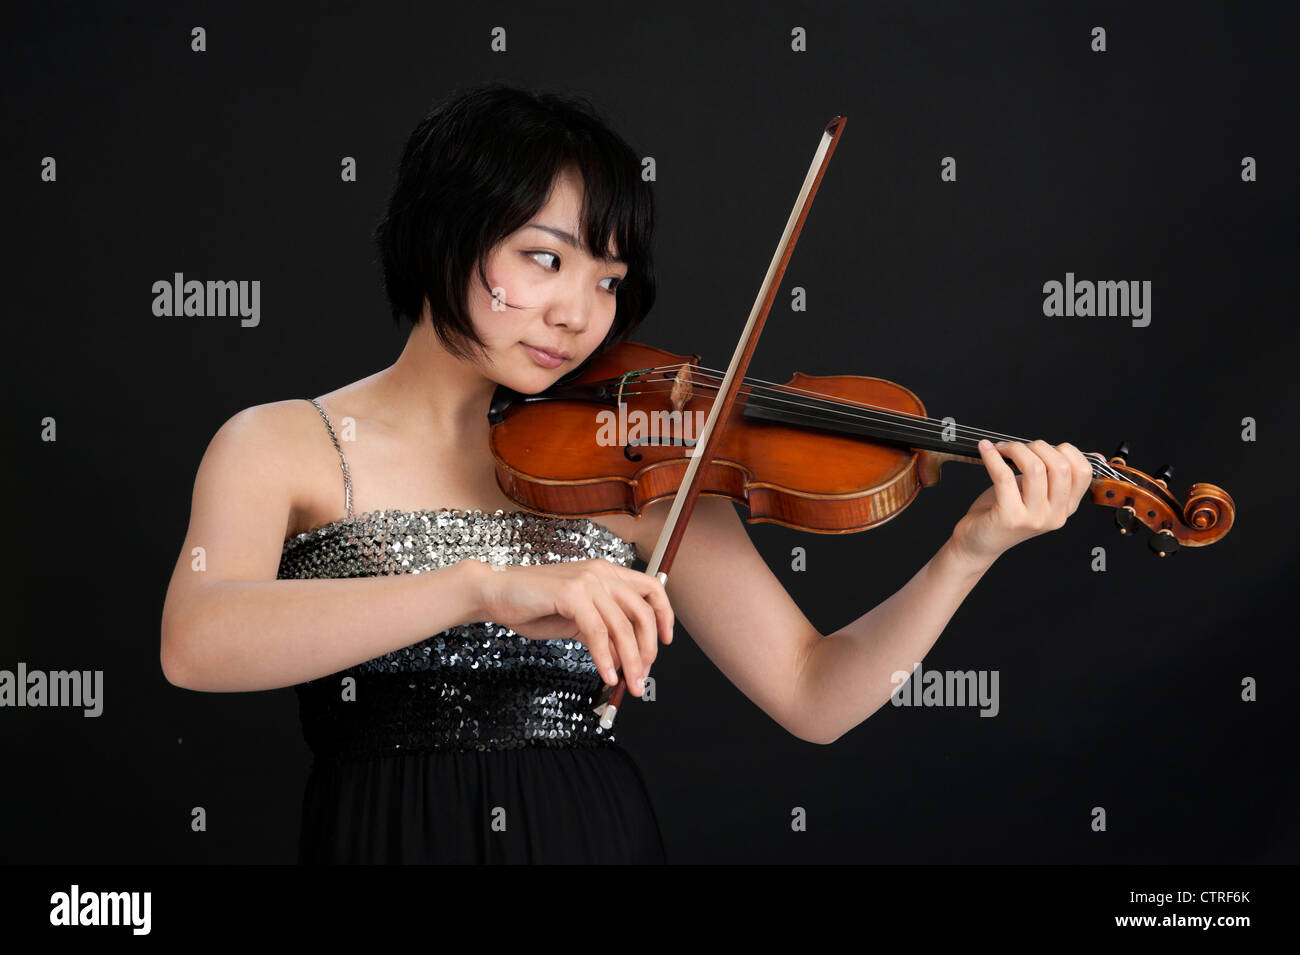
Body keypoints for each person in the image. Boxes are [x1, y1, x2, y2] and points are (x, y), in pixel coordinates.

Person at [159, 83, 1094, 864]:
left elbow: (816, 694)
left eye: (607, 279)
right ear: (441, 235)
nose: (578, 313)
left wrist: (969, 553)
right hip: (386, 838)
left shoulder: (637, 454)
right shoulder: (279, 442)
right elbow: (197, 642)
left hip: (586, 832)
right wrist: (485, 587)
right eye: (543, 258)